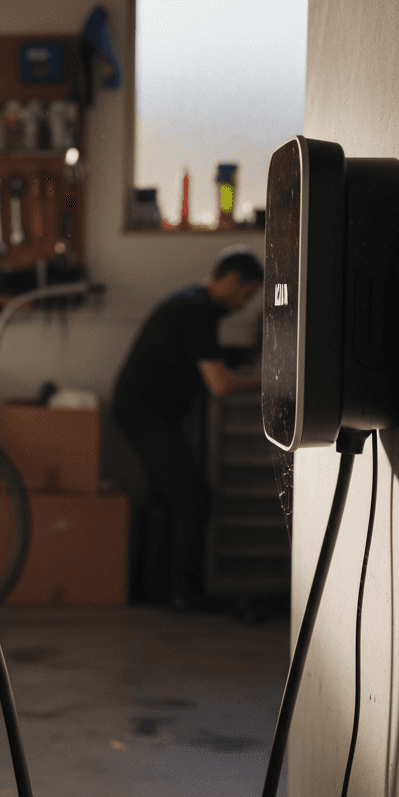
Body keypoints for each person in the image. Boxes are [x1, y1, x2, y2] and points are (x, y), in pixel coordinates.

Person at [113, 248, 263, 609]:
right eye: (246, 294)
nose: (244, 307)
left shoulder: (192, 304)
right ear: (230, 281)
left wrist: (240, 359)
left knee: (170, 497)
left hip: (142, 411)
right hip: (145, 413)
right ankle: (183, 594)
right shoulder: (196, 311)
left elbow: (207, 355)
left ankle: (155, 590)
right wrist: (265, 382)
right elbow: (220, 385)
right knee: (193, 498)